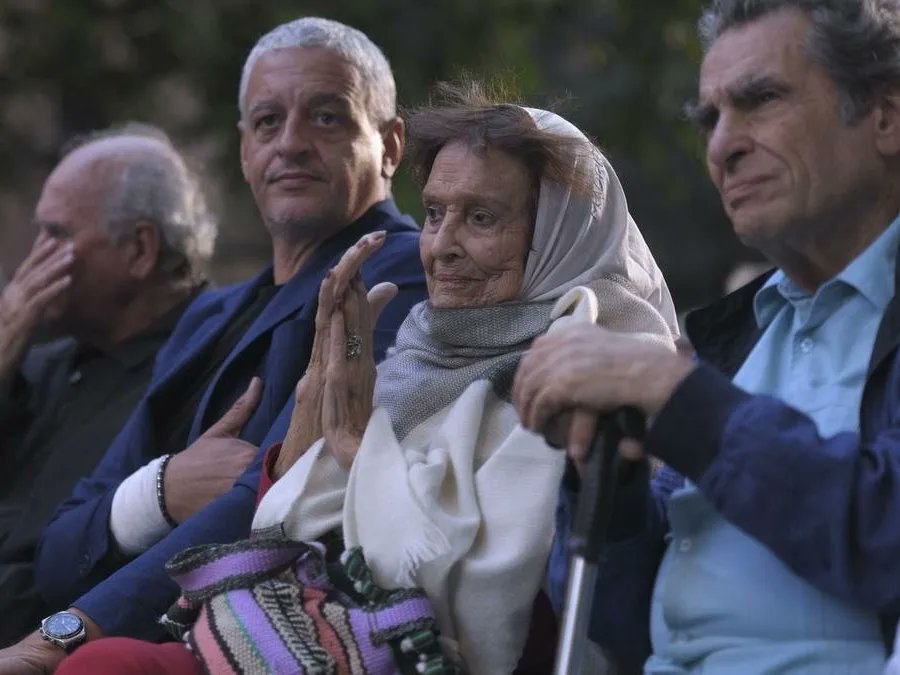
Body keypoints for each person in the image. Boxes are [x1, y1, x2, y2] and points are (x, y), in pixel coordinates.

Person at [54, 90, 680, 675]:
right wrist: (313, 409)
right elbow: (281, 536)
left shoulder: (594, 361)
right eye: (435, 213)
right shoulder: (419, 346)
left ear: (558, 239)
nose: (442, 247)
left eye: (482, 218)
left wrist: (355, 446)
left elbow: (489, 604)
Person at [0, 16, 428, 673]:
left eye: (326, 117)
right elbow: (62, 546)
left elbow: (280, 493)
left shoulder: (400, 274)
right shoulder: (210, 315)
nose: (290, 143)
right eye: (266, 121)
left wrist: (62, 638)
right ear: (243, 149)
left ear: (390, 145)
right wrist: (161, 491)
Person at [514, 0, 900, 672]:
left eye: (762, 100)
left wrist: (671, 390)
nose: (723, 145)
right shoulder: (741, 335)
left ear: (886, 117)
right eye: (710, 119)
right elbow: (622, 625)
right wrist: (614, 482)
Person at [0, 123, 215, 645]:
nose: (32, 261)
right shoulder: (35, 359)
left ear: (140, 250)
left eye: (56, 236)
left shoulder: (206, 365)